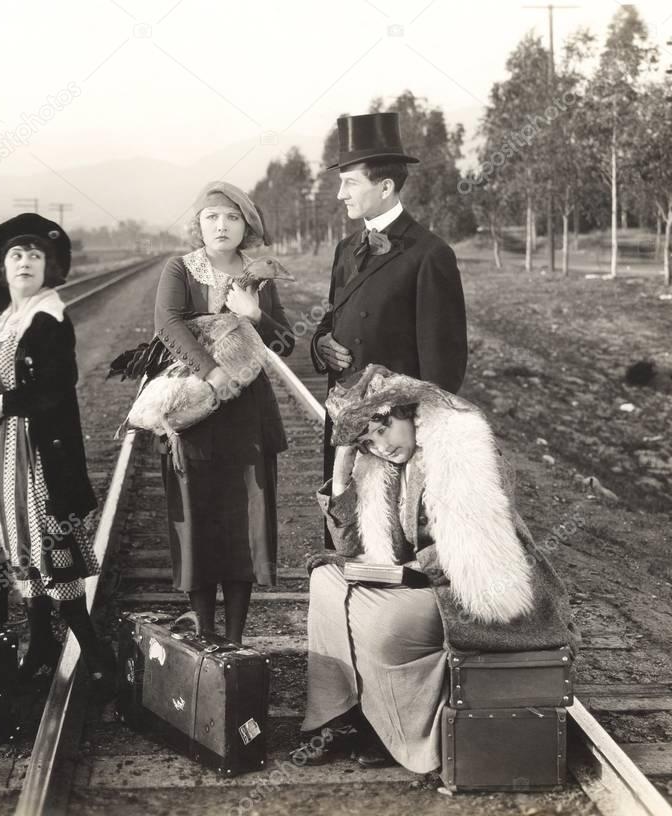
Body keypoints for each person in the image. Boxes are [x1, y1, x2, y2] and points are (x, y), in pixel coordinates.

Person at [297, 365, 577, 771]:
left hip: (470, 592)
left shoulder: (461, 453)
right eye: (366, 441)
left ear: (407, 410)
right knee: (326, 580)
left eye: (383, 427)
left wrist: (408, 570)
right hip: (421, 582)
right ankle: (344, 717)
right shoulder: (385, 466)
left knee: (382, 621)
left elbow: (473, 552)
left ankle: (393, 733)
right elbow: (355, 548)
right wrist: (342, 471)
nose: (380, 446)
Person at [0, 212, 114, 689]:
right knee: (20, 547)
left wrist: (8, 402)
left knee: (52, 548)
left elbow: (58, 385)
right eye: (17, 255)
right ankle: (40, 642)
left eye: (37, 256)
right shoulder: (6, 320)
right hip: (5, 450)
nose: (26, 262)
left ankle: (97, 655)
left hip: (40, 454)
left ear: (50, 268)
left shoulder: (49, 317)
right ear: (1, 269)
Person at [152, 181, 294, 643]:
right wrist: (211, 372)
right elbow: (168, 325)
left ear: (246, 226)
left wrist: (256, 316)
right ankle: (205, 633)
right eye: (212, 217)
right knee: (200, 519)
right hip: (196, 414)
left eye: (232, 218)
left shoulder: (259, 277)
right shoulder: (182, 270)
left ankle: (234, 638)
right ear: (198, 224)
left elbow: (285, 344)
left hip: (247, 416)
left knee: (243, 523)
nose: (221, 225)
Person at [310, 112, 468, 490]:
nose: (340, 194)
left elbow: (444, 363)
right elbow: (332, 318)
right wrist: (320, 345)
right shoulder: (345, 249)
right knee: (347, 534)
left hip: (396, 432)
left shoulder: (430, 254)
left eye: (349, 183)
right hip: (347, 426)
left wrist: (411, 426)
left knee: (398, 540)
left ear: (384, 187)